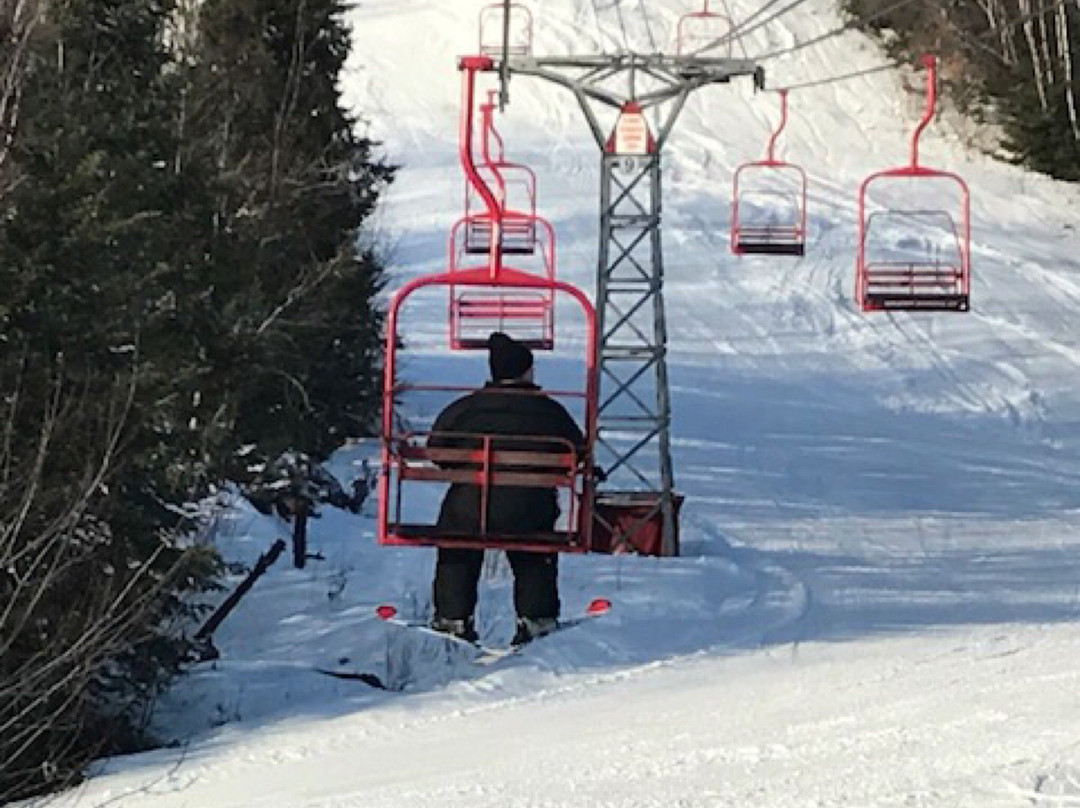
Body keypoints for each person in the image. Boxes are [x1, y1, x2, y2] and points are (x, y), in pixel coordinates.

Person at [427, 331, 586, 646]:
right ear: (527, 371)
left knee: (457, 542)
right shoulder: (549, 412)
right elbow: (576, 454)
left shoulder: (466, 409)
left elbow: (436, 452)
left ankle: (453, 616)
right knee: (533, 549)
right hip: (527, 510)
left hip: (470, 509)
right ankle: (536, 617)